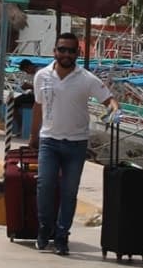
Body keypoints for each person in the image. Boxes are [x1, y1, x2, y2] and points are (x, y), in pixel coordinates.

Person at [28, 32, 120, 256]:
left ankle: (61, 236)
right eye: (62, 49)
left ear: (77, 53)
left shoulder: (86, 78)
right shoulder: (42, 76)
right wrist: (33, 137)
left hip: (76, 144)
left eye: (71, 50)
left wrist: (115, 112)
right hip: (49, 141)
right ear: (55, 51)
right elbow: (38, 107)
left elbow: (110, 100)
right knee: (45, 186)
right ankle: (44, 229)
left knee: (69, 193)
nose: (66, 54)